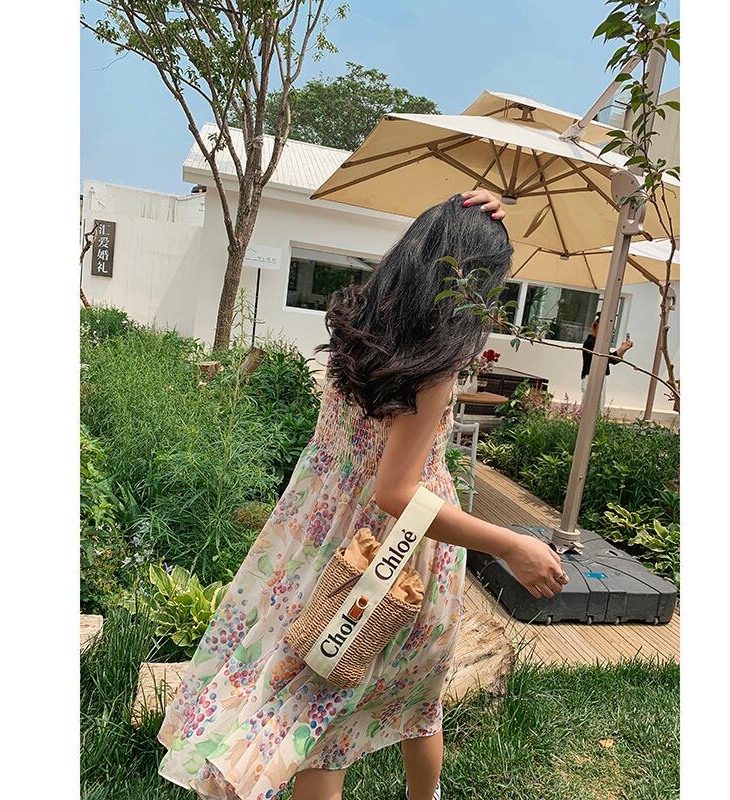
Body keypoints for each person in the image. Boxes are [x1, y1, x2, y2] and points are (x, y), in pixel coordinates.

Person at [156, 190, 568, 800]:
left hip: (321, 537)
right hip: (395, 554)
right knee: (391, 703)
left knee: (324, 700)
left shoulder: (363, 328)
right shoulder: (434, 366)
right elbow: (397, 491)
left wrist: (457, 219)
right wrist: (511, 544)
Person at [580, 312, 633, 412]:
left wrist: (623, 349)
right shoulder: (591, 342)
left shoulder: (597, 342)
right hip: (591, 376)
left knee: (596, 407)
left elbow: (611, 358)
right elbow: (609, 358)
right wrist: (622, 349)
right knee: (590, 408)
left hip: (598, 376)